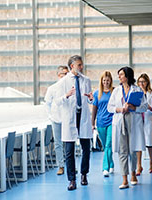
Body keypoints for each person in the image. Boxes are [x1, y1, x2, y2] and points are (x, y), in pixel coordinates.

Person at [55, 55, 93, 191]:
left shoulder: (86, 80)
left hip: (82, 118)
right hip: (70, 118)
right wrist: (66, 95)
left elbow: (89, 100)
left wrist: (90, 98)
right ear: (72, 66)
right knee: (69, 152)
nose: (81, 67)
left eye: (82, 65)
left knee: (86, 149)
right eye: (79, 65)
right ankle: (72, 180)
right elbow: (57, 101)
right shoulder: (63, 82)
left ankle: (84, 174)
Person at [107, 66, 147, 189]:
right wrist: (119, 109)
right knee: (122, 151)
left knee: (133, 150)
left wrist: (134, 108)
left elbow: (144, 107)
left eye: (121, 75)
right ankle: (124, 179)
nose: (119, 77)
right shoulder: (116, 91)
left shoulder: (137, 90)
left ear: (127, 76)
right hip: (120, 120)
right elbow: (110, 107)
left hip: (133, 120)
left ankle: (133, 174)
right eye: (119, 75)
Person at [44, 66, 69, 175]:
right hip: (56, 119)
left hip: (67, 119)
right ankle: (61, 166)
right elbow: (47, 103)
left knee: (68, 143)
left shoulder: (69, 88)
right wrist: (51, 116)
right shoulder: (52, 88)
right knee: (58, 143)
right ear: (59, 75)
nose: (66, 75)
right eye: (64, 73)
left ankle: (70, 165)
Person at [91, 71, 114, 177]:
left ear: (111, 81)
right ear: (101, 81)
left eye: (108, 80)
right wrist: (92, 123)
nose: (106, 82)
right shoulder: (97, 93)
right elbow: (94, 109)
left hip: (112, 122)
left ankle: (105, 168)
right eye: (104, 80)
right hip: (100, 122)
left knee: (109, 144)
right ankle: (111, 163)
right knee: (105, 146)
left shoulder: (114, 91)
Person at [136, 73, 152, 176]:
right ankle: (139, 166)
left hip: (149, 120)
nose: (142, 83)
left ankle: (151, 162)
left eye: (143, 81)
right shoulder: (136, 93)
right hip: (138, 120)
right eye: (140, 81)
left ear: (147, 82)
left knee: (149, 144)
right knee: (139, 144)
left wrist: (151, 108)